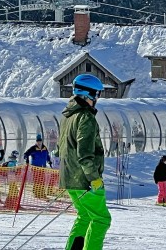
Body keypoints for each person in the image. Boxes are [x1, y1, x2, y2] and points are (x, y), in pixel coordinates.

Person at [59, 74, 111, 250]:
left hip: (70, 178)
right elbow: (84, 153)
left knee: (85, 216)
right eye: (96, 95)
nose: (97, 99)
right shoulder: (85, 117)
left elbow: (62, 148)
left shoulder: (67, 116)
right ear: (87, 95)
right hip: (85, 180)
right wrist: (93, 177)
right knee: (101, 219)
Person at [25, 134, 53, 198]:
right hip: (35, 167)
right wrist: (27, 160)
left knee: (42, 180)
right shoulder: (33, 148)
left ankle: (41, 193)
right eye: (38, 141)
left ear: (41, 141)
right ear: (36, 141)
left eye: (40, 141)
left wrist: (49, 160)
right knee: (37, 180)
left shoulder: (44, 148)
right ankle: (36, 192)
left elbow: (47, 155)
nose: (39, 142)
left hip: (42, 167)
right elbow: (26, 154)